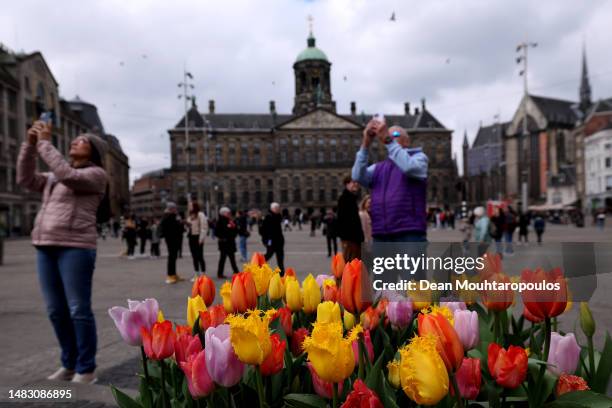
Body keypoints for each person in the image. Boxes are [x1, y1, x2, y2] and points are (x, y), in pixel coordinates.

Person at [17, 120, 108, 384]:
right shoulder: (53, 177)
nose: (74, 142)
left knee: (79, 309)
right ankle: (68, 364)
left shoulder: (95, 176)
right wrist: (29, 145)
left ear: (94, 152)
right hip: (45, 245)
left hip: (76, 247)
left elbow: (69, 176)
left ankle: (86, 368)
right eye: (74, 140)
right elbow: (25, 178)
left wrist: (45, 142)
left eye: (82, 141)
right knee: (56, 310)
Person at [352, 121, 429, 243]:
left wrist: (388, 140)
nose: (390, 137)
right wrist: (365, 144)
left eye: (396, 134)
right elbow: (357, 176)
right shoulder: (378, 168)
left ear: (407, 141)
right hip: (381, 233)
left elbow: (409, 167)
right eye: (387, 135)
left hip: (408, 232)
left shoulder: (418, 158)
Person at [336, 176, 364, 261]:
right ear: (346, 184)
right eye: (353, 182)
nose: (356, 185)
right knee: (351, 263)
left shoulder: (351, 198)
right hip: (350, 238)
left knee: (354, 263)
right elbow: (342, 220)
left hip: (353, 238)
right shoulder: (345, 199)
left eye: (357, 183)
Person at [159, 202, 184, 284]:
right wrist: (179, 223)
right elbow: (170, 228)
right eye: (174, 208)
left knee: (174, 257)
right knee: (171, 257)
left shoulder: (173, 216)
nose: (176, 210)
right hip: (171, 239)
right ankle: (170, 275)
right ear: (171, 209)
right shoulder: (167, 216)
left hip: (175, 239)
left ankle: (173, 274)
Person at [260, 202, 285, 275]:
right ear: (272, 209)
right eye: (276, 208)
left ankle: (281, 273)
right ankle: (259, 266)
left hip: (279, 241)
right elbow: (262, 230)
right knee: (268, 255)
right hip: (271, 241)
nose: (278, 209)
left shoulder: (278, 216)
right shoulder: (268, 217)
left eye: (278, 208)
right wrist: (266, 240)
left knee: (280, 258)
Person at [216, 207, 240, 278]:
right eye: (227, 213)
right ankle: (220, 273)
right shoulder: (220, 221)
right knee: (222, 259)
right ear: (223, 213)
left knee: (232, 258)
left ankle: (236, 272)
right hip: (224, 243)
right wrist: (225, 235)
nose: (229, 214)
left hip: (230, 243)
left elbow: (235, 231)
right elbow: (217, 232)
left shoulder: (230, 221)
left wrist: (234, 227)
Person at [186, 201, 208, 281]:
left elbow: (204, 227)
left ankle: (203, 273)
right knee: (194, 256)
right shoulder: (190, 215)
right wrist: (187, 226)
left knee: (200, 256)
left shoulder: (200, 214)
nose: (189, 206)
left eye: (190, 205)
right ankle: (196, 273)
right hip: (191, 237)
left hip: (198, 237)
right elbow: (189, 227)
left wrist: (201, 238)